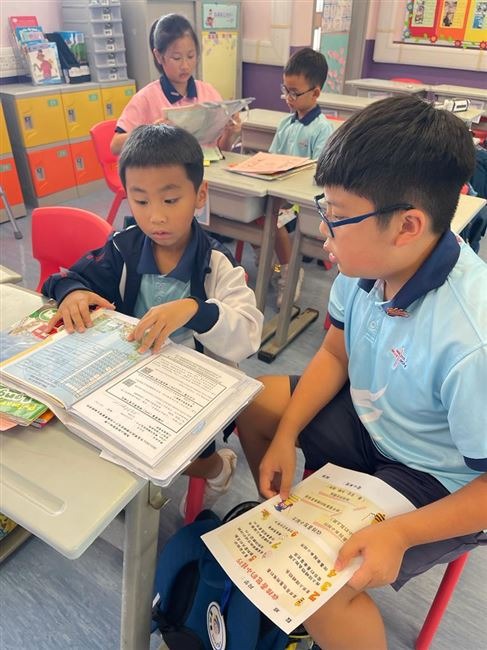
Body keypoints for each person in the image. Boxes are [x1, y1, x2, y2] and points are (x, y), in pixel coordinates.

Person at [237, 95, 487, 650]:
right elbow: (335, 354)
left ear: (407, 226)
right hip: (372, 421)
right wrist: (285, 435)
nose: (323, 230)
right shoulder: (364, 263)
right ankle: (287, 535)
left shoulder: (472, 339)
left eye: (337, 214)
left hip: (438, 479)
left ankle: (309, 587)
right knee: (253, 402)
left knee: (328, 587)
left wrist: (400, 533)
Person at [43, 124, 263, 513]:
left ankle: (217, 468)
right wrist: (72, 293)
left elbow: (248, 335)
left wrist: (196, 309)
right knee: (90, 436)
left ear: (200, 195)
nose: (156, 217)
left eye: (171, 200)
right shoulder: (123, 247)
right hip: (131, 378)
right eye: (141, 201)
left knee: (182, 460)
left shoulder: (216, 263)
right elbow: (69, 278)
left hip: (192, 390)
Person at [110, 13, 240, 155]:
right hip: (167, 168)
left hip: (206, 167)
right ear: (159, 56)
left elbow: (220, 150)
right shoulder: (146, 98)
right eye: (177, 58)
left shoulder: (208, 92)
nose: (185, 65)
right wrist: (150, 134)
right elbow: (115, 146)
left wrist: (229, 133)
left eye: (191, 56)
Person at [266, 47, 334, 308]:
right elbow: (271, 159)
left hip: (300, 203)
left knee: (273, 222)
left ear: (315, 93)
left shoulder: (322, 129)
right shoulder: (286, 124)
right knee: (258, 220)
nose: (288, 97)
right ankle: (275, 267)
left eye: (294, 93)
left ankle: (289, 272)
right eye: (285, 90)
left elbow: (319, 173)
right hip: (278, 195)